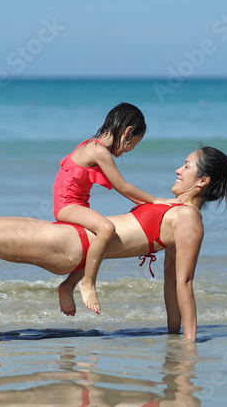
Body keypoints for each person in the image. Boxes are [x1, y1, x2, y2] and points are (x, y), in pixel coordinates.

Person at [0, 146, 227, 344]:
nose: (178, 170)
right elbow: (171, 283)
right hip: (71, 238)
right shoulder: (177, 211)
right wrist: (173, 334)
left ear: (202, 181)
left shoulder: (187, 219)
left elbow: (181, 282)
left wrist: (188, 343)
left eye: (186, 166)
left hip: (71, 243)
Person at [53, 102, 177, 315]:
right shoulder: (98, 151)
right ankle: (88, 283)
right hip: (67, 206)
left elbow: (126, 191)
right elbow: (123, 187)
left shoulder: (91, 144)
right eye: (133, 144)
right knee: (107, 229)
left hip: (77, 204)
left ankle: (68, 285)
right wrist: (155, 200)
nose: (130, 149)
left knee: (97, 246)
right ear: (127, 132)